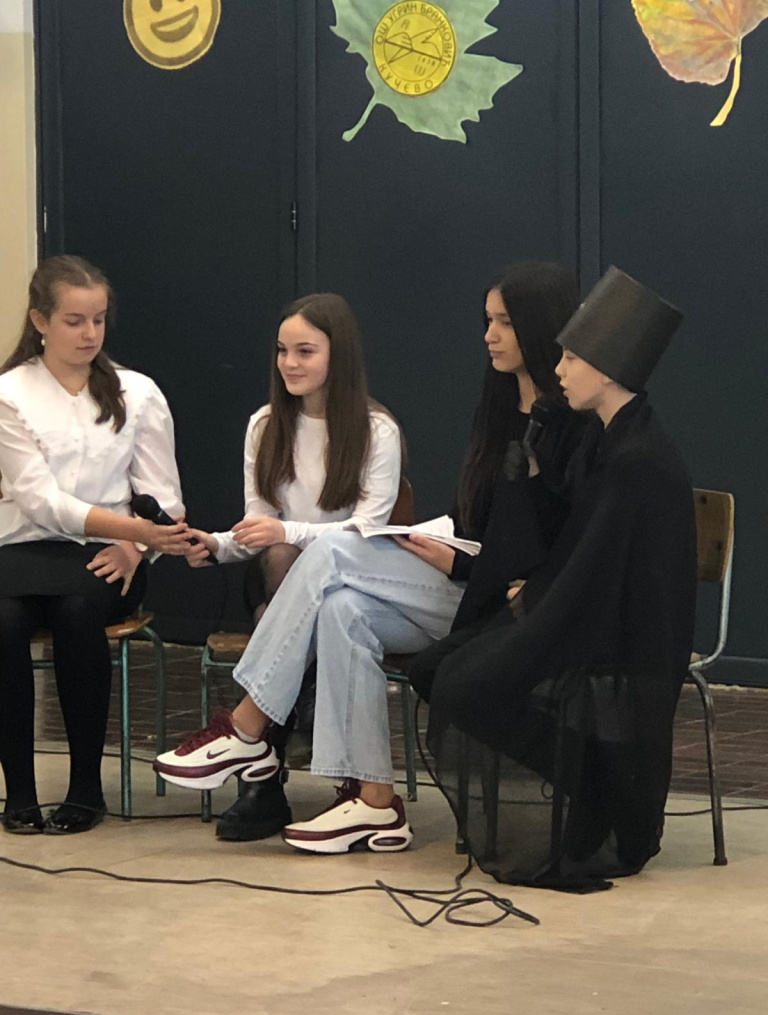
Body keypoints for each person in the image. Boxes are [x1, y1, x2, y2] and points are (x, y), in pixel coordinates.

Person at [154, 261, 581, 853]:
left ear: (537, 325)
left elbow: (558, 540)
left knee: (332, 551)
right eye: (487, 320)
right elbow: (483, 523)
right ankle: (374, 801)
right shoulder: (500, 408)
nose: (489, 335)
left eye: (503, 322)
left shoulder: (568, 424)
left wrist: (459, 561)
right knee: (342, 610)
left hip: (507, 603)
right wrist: (443, 542)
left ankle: (249, 725)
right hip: (462, 579)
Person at [410, 267, 697, 891]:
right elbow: (576, 544)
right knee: (437, 668)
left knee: (465, 683)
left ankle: (597, 785)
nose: (559, 369)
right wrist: (533, 483)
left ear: (609, 369)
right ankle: (588, 776)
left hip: (621, 633)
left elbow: (598, 569)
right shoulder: (608, 442)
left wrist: (532, 607)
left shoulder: (636, 459)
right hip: (582, 607)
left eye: (572, 358)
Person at [183, 292, 404, 839]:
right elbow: (259, 528)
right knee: (281, 561)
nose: (289, 363)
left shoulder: (377, 430)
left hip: (351, 581)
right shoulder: (265, 425)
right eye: (282, 351)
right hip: (275, 572)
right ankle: (286, 732)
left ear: (338, 355)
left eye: (305, 351)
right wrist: (215, 545)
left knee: (299, 579)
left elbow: (367, 532)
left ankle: (260, 764)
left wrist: (290, 533)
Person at [0, 255, 189, 835]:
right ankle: (20, 793)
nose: (89, 334)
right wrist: (135, 530)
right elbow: (40, 502)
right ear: (40, 320)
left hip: (106, 556)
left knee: (79, 611)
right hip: (21, 552)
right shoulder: (10, 393)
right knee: (4, 622)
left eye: (99, 320)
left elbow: (165, 498)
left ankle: (86, 788)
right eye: (74, 321)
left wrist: (136, 548)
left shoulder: (138, 392)